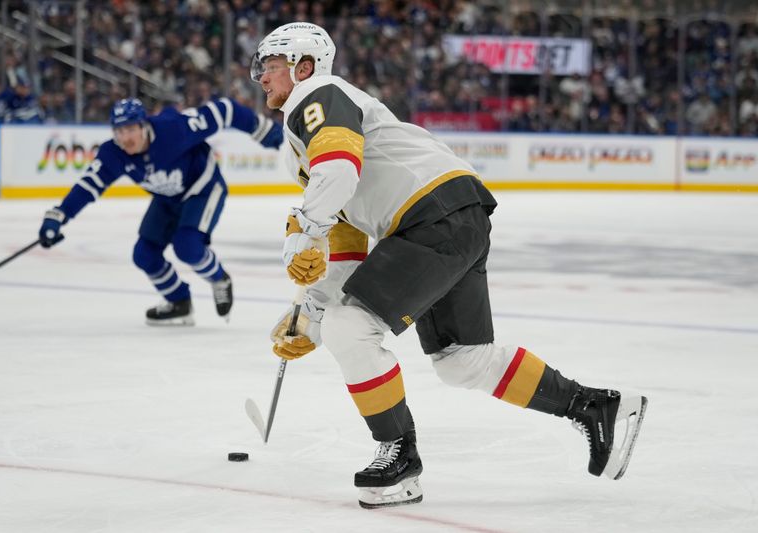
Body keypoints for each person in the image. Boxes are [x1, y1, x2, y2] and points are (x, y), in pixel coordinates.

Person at [252, 22, 648, 509]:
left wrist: (301, 229)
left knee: (349, 326)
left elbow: (336, 171)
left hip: (430, 215)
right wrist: (310, 311)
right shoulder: (305, 135)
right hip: (454, 214)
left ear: (303, 66)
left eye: (270, 67)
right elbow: (347, 239)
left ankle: (399, 455)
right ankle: (594, 406)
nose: (262, 78)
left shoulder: (318, 94)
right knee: (462, 361)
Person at [38, 97, 283, 325]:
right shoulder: (114, 153)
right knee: (144, 254)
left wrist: (262, 129)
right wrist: (59, 215)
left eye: (130, 129)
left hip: (203, 189)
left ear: (144, 126)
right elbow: (89, 185)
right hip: (167, 198)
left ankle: (219, 278)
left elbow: (225, 110)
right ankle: (178, 301)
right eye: (119, 131)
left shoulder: (173, 129)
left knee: (187, 247)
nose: (125, 138)